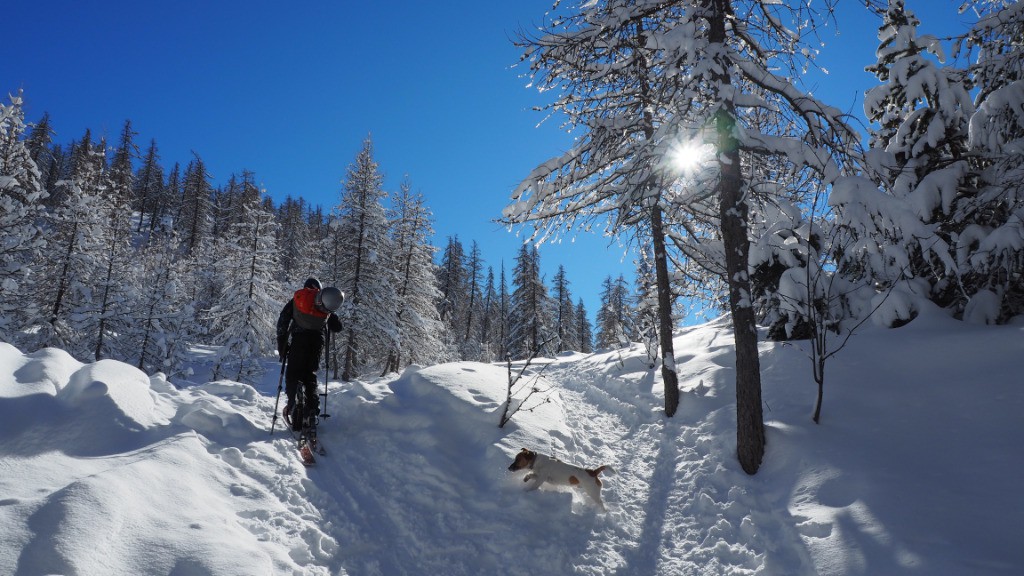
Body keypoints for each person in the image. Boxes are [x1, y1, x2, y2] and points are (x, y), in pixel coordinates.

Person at [276, 277, 343, 431]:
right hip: (317, 343)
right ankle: (311, 411)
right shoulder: (324, 304)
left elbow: (282, 321)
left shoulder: (297, 301)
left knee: (293, 374)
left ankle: (294, 406)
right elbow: (337, 327)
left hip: (299, 341)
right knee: (310, 376)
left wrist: (282, 344)